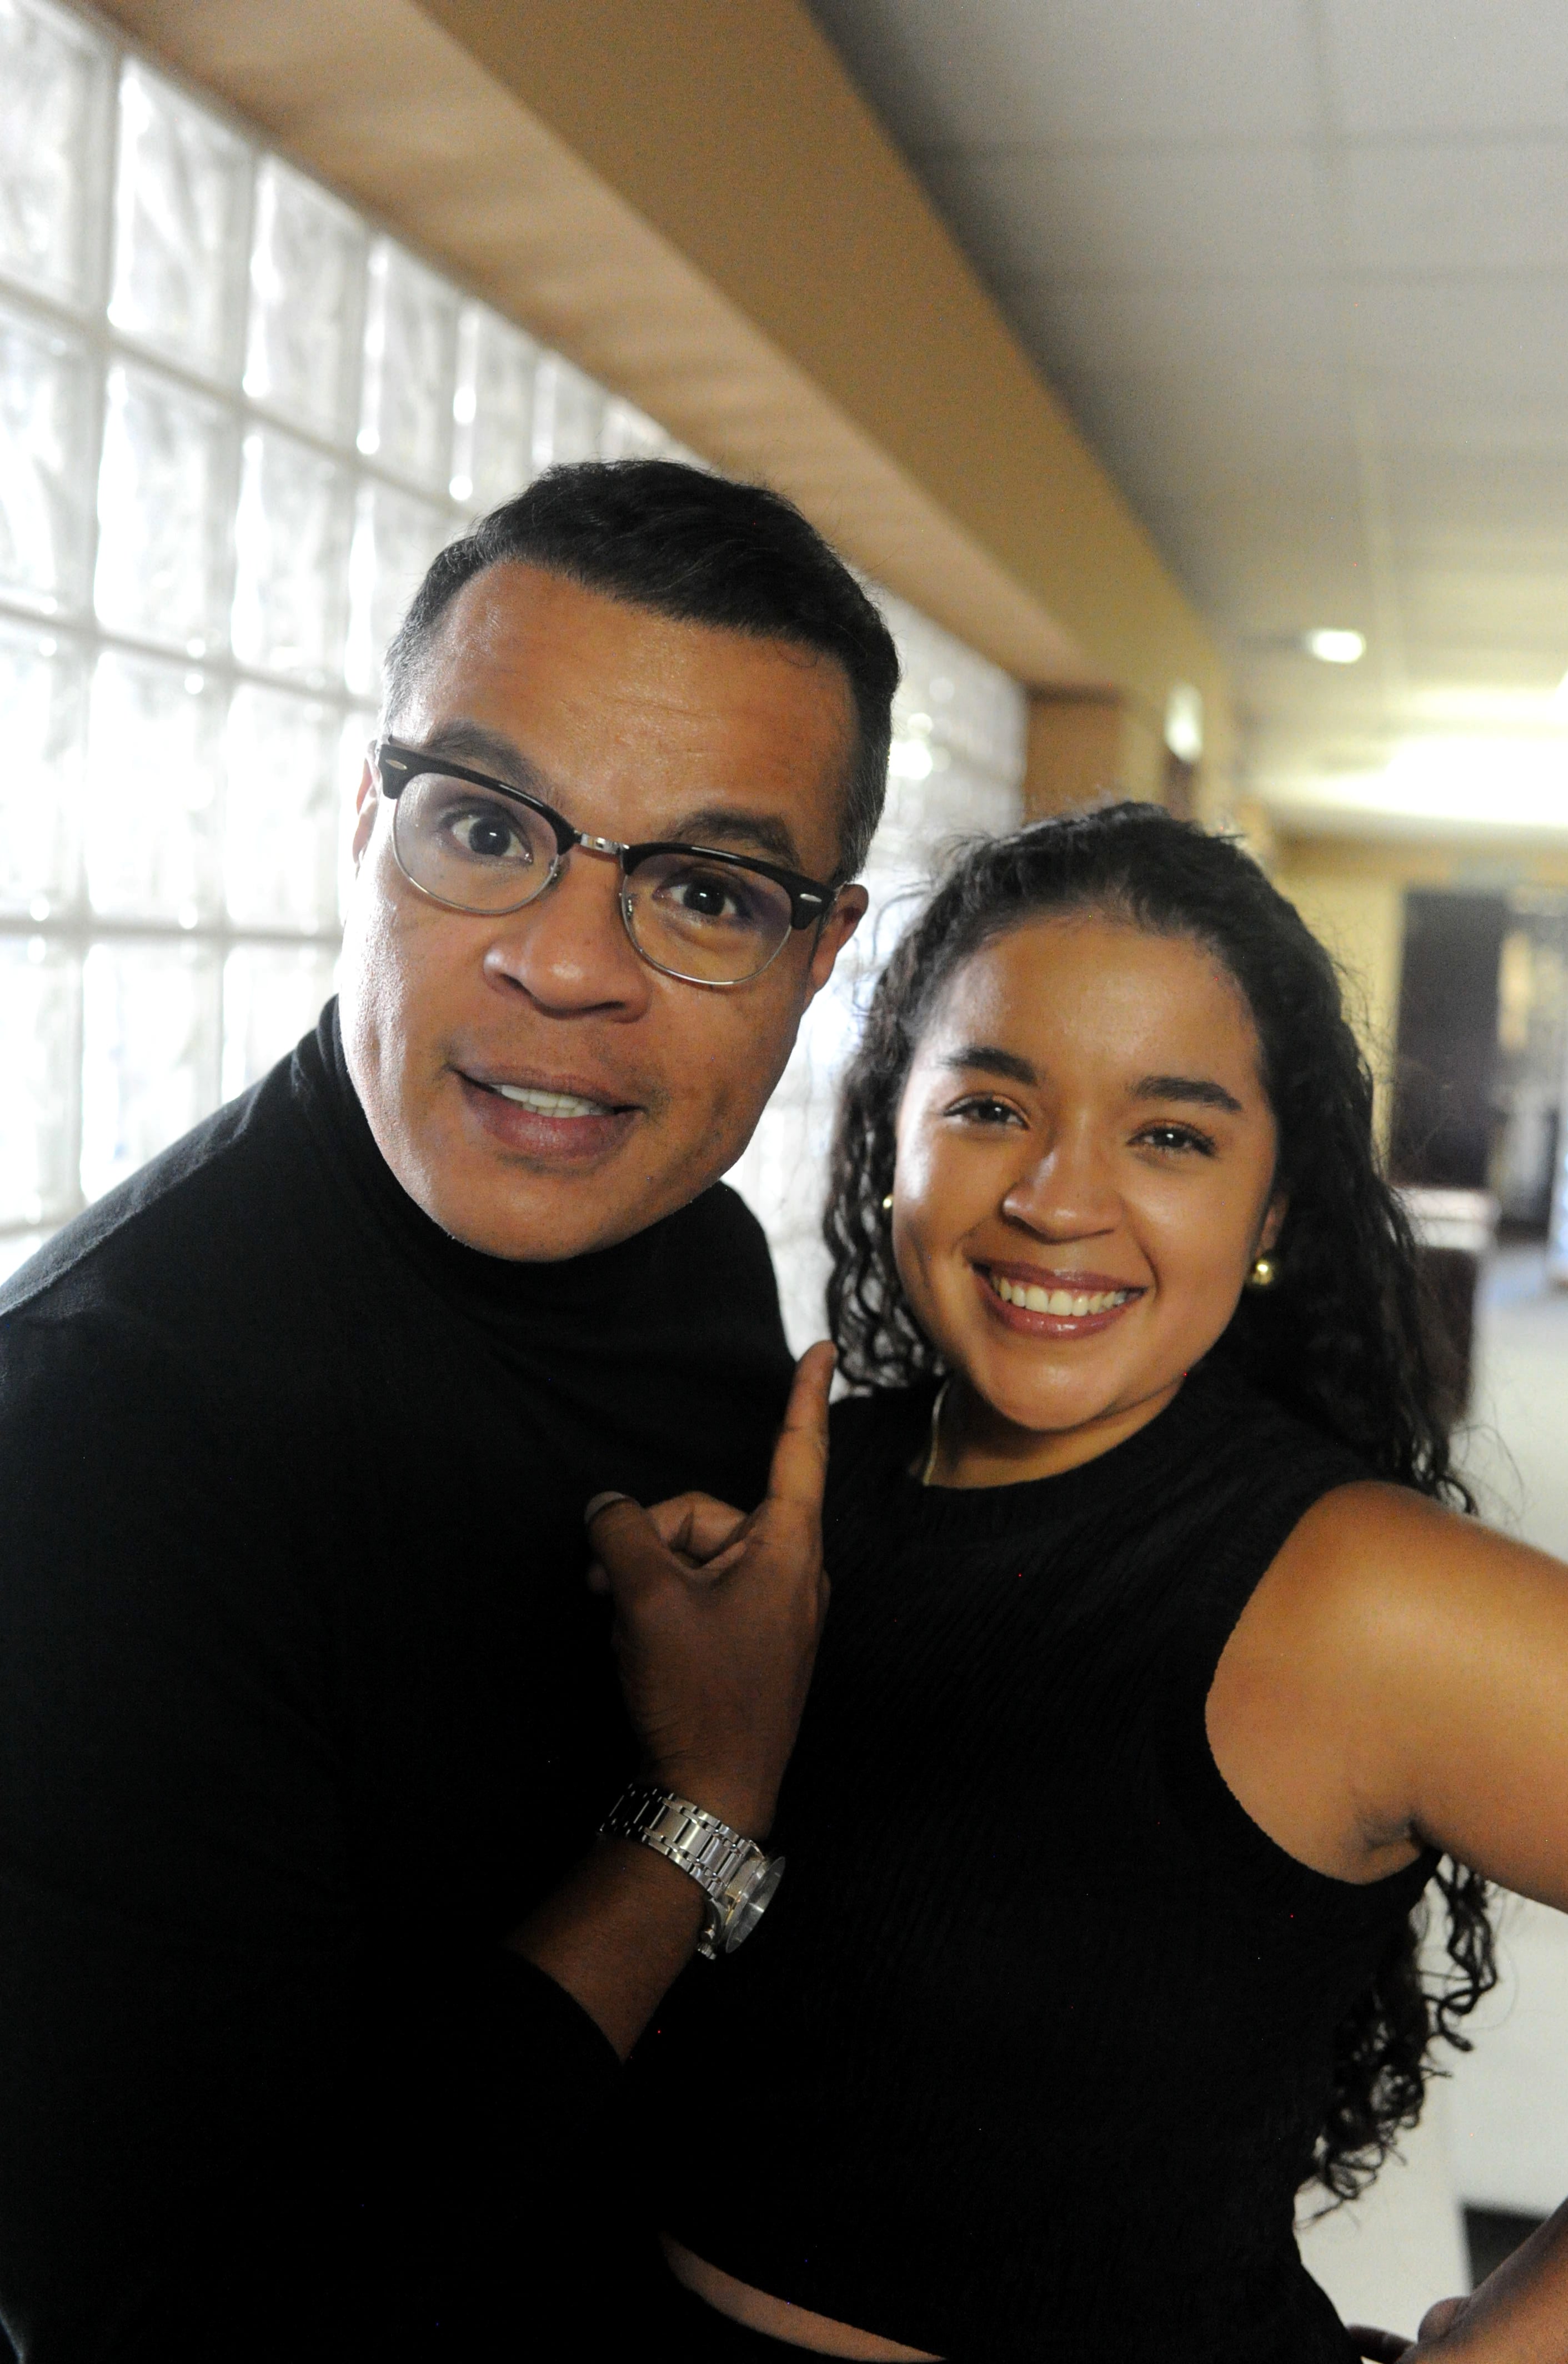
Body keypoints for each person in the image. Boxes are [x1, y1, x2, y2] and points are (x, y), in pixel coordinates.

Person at [0, 459, 899, 2358]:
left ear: (821, 959)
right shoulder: (98, 1436)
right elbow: (168, 2328)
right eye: (488, 829)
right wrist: (700, 1813)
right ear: (364, 823)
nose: (566, 968)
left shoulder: (698, 1253)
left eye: (708, 893)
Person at [615, 803, 1568, 2364]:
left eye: (1172, 1135)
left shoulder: (1357, 1593)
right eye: (992, 1106)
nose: (1060, 1199)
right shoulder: (792, 1491)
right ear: (890, 1131)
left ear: (1271, 1209)